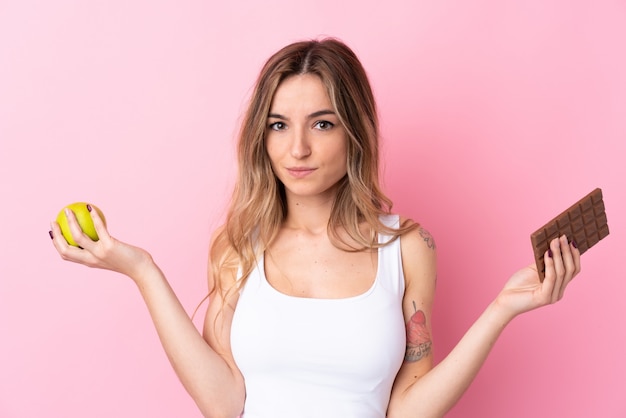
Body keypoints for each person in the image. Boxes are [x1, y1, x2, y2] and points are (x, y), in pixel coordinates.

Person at [49, 38, 581, 418]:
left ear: (354, 133)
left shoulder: (408, 247)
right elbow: (224, 403)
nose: (296, 148)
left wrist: (502, 310)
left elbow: (408, 409)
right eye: (279, 125)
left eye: (321, 123)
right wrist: (141, 270)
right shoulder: (239, 247)